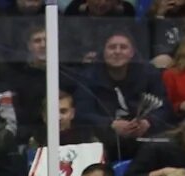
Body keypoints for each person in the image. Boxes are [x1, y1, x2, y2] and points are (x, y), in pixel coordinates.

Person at [74, 33, 174, 162]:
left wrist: (148, 122)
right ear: (103, 52)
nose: (117, 51)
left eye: (123, 47)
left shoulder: (149, 74)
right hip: (105, 142)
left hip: (145, 140)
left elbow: (165, 107)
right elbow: (83, 113)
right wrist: (111, 124)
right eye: (112, 47)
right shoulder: (88, 77)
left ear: (132, 53)